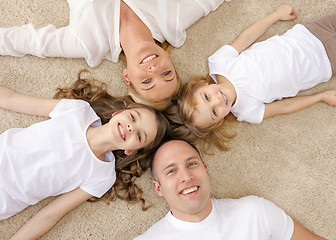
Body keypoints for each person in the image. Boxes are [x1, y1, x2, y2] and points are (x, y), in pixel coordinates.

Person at [0, 72, 171, 239]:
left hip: (7, 197)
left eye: (140, 136)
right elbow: (13, 99)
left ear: (131, 151)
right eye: (133, 118)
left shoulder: (103, 176)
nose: (131, 128)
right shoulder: (78, 111)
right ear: (118, 113)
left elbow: (51, 214)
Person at [0, 0, 230, 109]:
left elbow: (28, 42)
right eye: (167, 73)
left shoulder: (89, 44)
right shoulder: (174, 23)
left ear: (127, 77)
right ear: (170, 60)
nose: (155, 70)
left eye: (147, 81)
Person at [168, 4, 336, 150]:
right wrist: (320, 97)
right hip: (324, 63)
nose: (217, 100)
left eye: (206, 97)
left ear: (202, 85)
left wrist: (276, 16)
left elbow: (247, 37)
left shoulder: (219, 64)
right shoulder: (247, 111)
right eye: (214, 111)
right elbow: (285, 106)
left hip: (307, 34)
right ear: (219, 121)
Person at [134, 139, 326, 240]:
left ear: (205, 170)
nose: (186, 176)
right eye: (171, 171)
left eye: (192, 164)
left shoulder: (254, 212)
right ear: (158, 188)